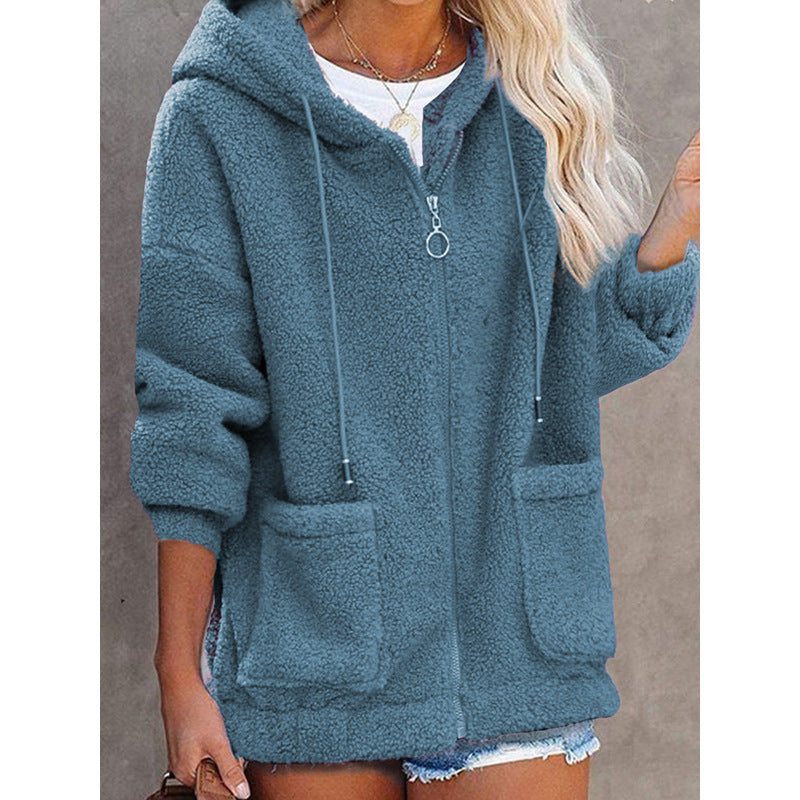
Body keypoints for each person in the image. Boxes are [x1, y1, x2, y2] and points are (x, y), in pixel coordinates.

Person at [129, 0, 700, 797]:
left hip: (515, 642)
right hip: (320, 650)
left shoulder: (531, 95)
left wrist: (672, 231)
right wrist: (179, 673)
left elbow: (554, 367)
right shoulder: (222, 110)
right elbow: (191, 407)